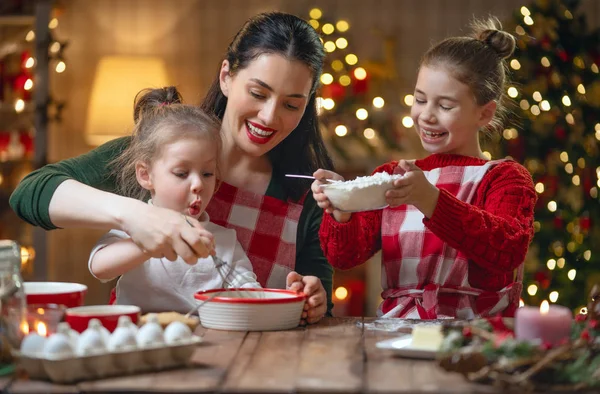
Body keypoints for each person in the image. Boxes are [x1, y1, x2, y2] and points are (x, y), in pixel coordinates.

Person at [10, 12, 332, 323]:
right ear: (226, 77)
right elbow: (31, 193)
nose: (269, 116)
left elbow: (318, 304)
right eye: (258, 93)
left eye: (291, 104)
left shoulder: (306, 196)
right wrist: (136, 216)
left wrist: (313, 302)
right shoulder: (162, 152)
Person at [312, 17, 537, 319]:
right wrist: (341, 206)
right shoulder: (392, 175)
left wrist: (430, 200)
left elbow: (507, 250)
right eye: (420, 100)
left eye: (445, 106)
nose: (426, 116)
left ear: (484, 114)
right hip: (398, 335)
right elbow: (345, 256)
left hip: (475, 340)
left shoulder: (504, 178)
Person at [89, 87, 261, 314]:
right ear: (145, 175)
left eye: (207, 173)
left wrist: (295, 297)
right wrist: (154, 241)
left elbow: (250, 292)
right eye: (181, 173)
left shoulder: (222, 241)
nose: (198, 184)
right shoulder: (135, 228)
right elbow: (100, 268)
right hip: (140, 340)